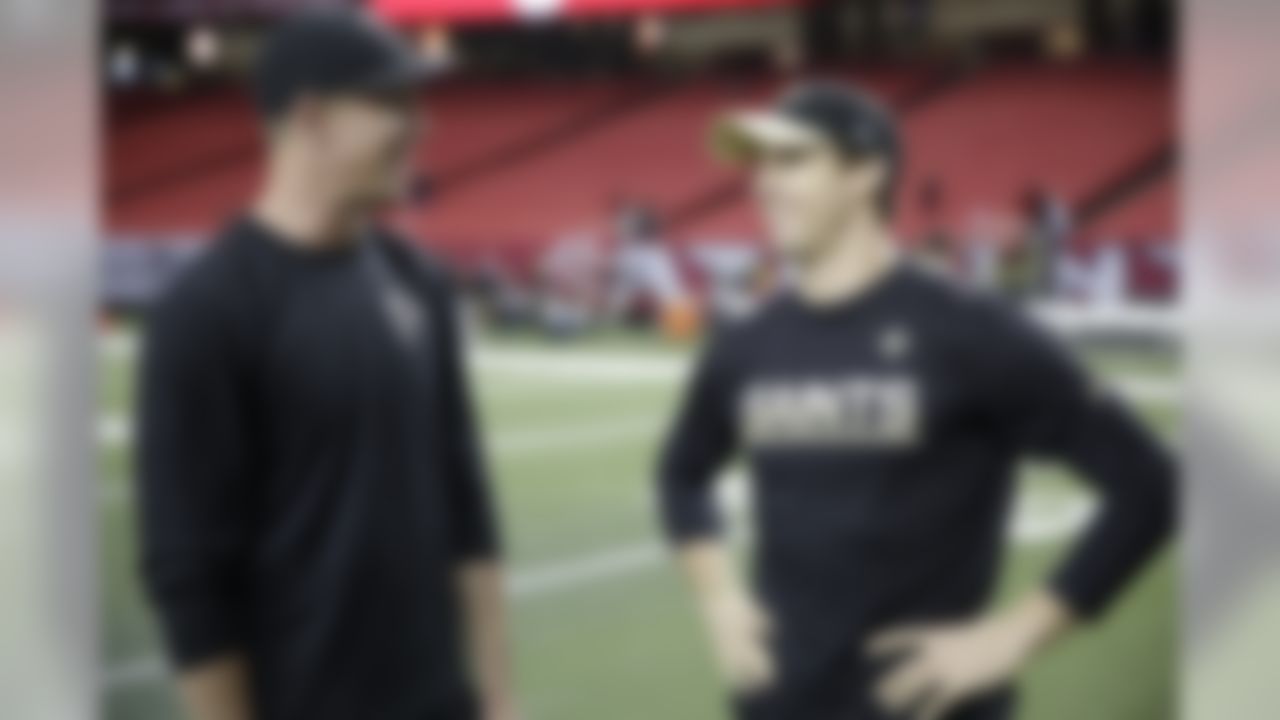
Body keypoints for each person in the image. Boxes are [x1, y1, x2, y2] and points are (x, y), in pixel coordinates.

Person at [656, 81, 1175, 720]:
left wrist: (1015, 636)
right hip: (778, 705)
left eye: (792, 161)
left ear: (866, 173)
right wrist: (720, 602)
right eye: (759, 164)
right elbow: (682, 471)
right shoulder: (746, 342)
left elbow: (1152, 486)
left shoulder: (971, 331)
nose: (764, 182)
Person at [138, 9, 518, 720]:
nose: (421, 127)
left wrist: (498, 697)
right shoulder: (208, 310)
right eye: (391, 104)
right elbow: (189, 576)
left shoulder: (420, 284)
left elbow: (467, 505)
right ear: (310, 118)